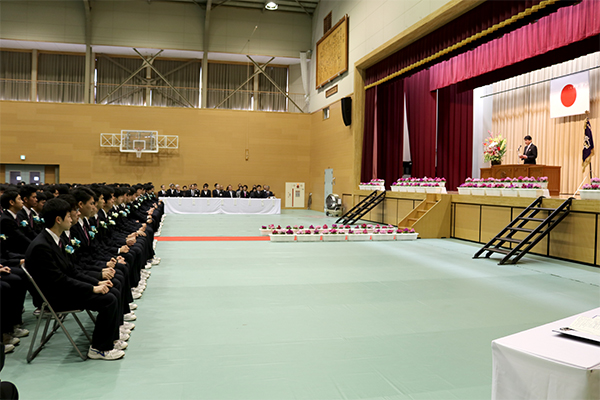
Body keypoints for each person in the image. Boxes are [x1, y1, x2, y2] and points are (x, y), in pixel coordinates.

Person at [25, 198, 127, 360]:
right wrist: (92, 289)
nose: (72, 219)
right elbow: (59, 281)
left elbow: (72, 270)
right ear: (58, 219)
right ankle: (99, 348)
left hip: (65, 288)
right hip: (56, 297)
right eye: (68, 216)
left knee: (111, 288)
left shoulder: (57, 239)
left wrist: (97, 282)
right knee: (108, 299)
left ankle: (110, 338)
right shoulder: (41, 246)